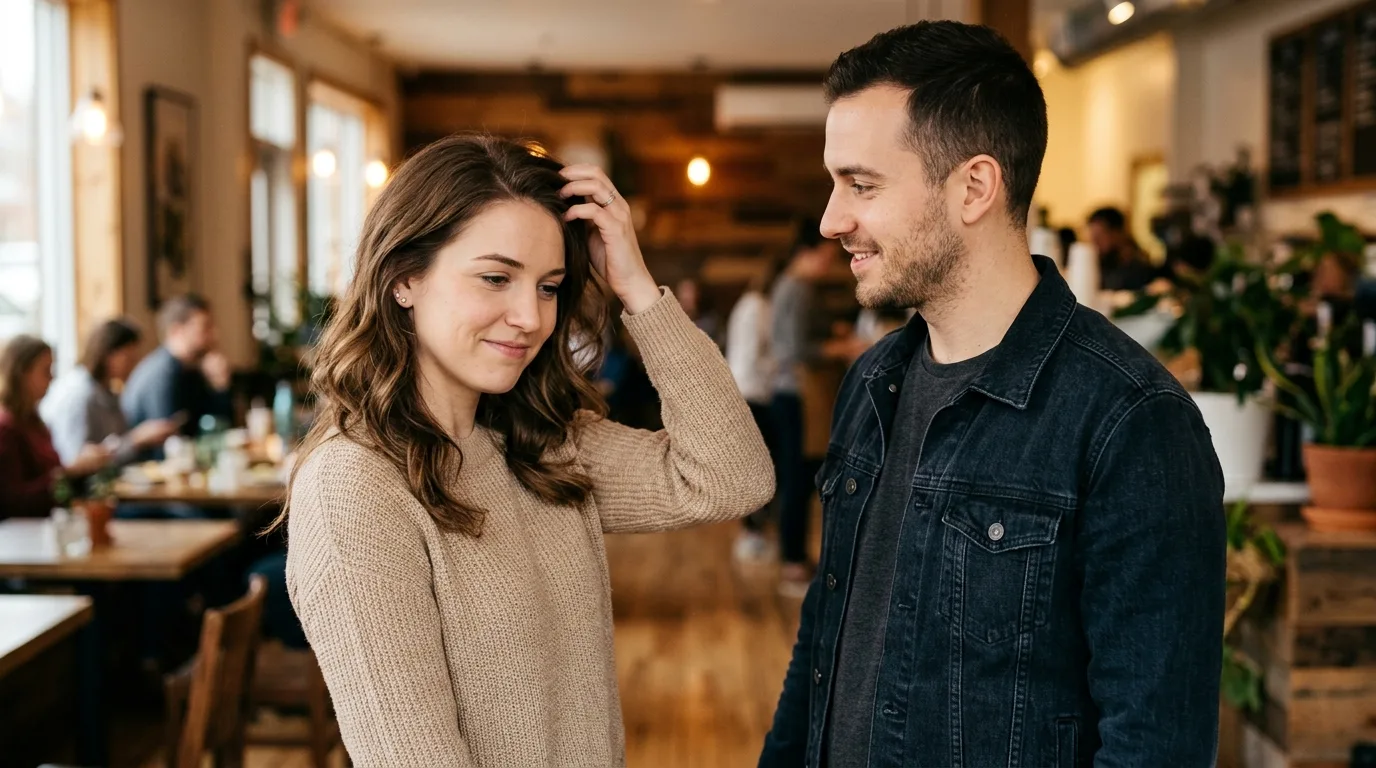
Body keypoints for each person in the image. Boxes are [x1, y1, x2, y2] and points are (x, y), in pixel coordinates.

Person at [760, 21, 1225, 768]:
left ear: (974, 186)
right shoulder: (873, 381)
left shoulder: (1131, 423)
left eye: (862, 184)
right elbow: (825, 639)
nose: (831, 219)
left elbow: (1155, 745)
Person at [279, 134, 772, 767]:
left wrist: (638, 289)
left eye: (548, 287)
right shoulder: (353, 488)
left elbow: (734, 478)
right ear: (404, 278)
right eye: (495, 278)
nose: (530, 318)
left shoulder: (540, 444)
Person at [770, 219, 841, 596]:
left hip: (790, 393)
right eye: (826, 256)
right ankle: (793, 562)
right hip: (795, 393)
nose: (828, 264)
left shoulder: (790, 286)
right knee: (798, 480)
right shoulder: (796, 289)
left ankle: (795, 558)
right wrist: (842, 348)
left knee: (798, 478)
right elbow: (795, 350)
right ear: (806, 253)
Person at [40, 319, 179, 466]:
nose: (134, 364)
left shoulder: (108, 392)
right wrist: (137, 439)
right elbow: (73, 458)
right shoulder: (79, 395)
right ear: (108, 355)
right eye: (129, 357)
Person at [0, 335, 110, 519]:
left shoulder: (34, 422)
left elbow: (55, 485)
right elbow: (12, 502)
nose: (52, 378)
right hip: (22, 534)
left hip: (49, 524)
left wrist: (85, 468)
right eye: (46, 371)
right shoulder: (6, 428)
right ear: (22, 374)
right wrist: (70, 472)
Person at [121, 293, 233, 460]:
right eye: (205, 328)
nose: (214, 335)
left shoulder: (192, 370)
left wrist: (220, 387)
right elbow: (168, 447)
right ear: (176, 331)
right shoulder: (161, 375)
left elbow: (217, 427)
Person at [726, 256, 781, 562]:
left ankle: (752, 532)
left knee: (753, 466)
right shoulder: (761, 307)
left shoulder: (745, 304)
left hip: (742, 389)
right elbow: (763, 351)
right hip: (755, 393)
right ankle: (753, 533)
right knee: (763, 467)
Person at [1088, 206, 1157, 291]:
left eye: (1100, 236)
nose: (1095, 243)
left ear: (1117, 233)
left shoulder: (1137, 267)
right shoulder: (1101, 263)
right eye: (1093, 237)